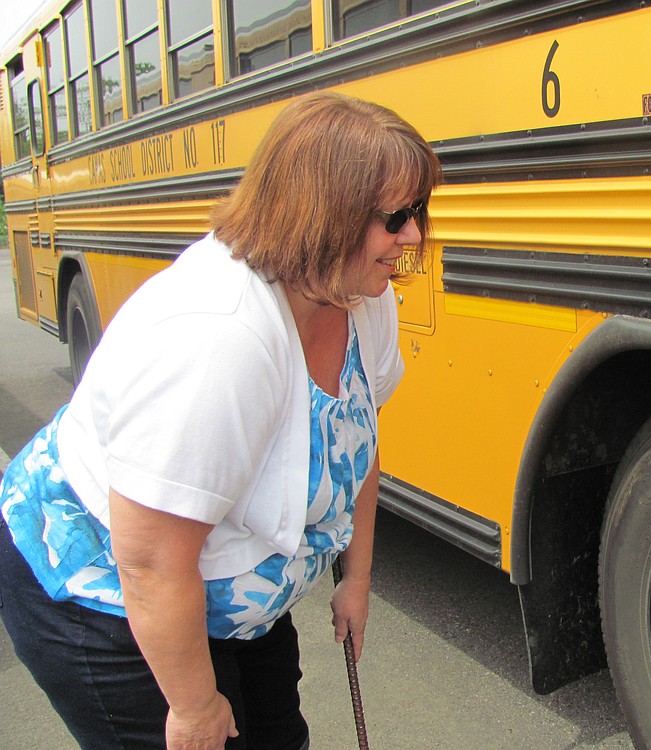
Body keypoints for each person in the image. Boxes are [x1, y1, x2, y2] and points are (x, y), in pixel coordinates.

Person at [0, 91, 441, 750]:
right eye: (396, 216)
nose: (412, 234)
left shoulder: (361, 295)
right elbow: (150, 561)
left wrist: (357, 577)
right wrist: (195, 706)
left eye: (419, 211)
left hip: (215, 589)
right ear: (325, 216)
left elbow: (360, 444)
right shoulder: (218, 335)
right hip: (106, 594)